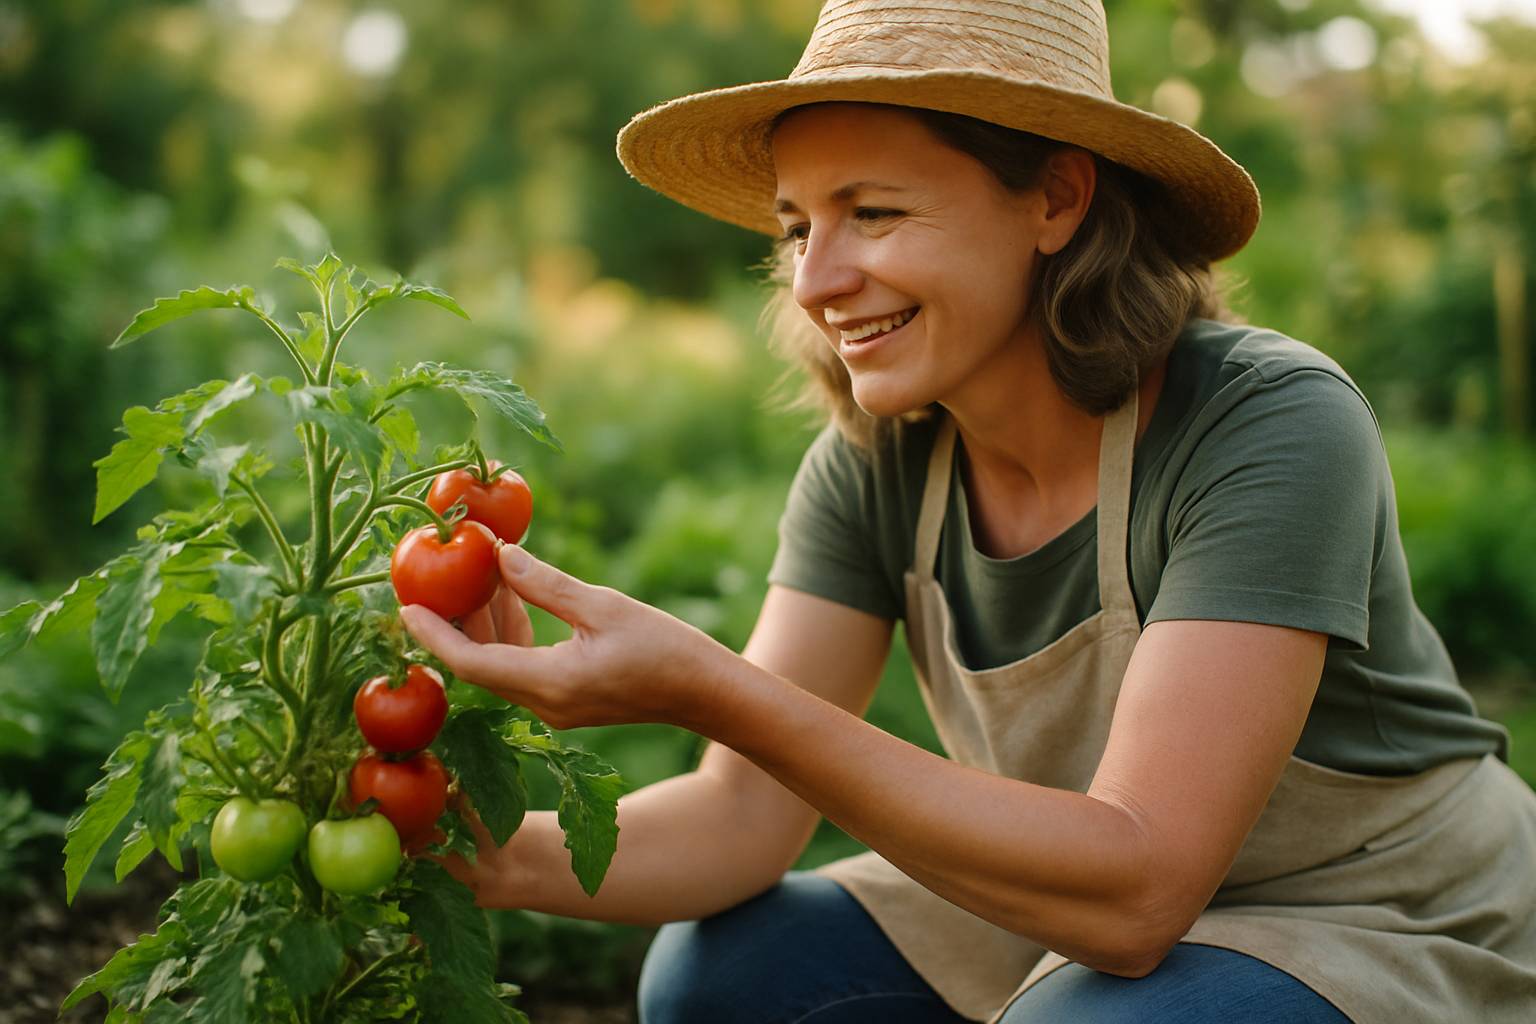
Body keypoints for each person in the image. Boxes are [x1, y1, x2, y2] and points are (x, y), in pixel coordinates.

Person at [400, 2, 1536, 1021]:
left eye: (874, 212)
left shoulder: (1265, 422)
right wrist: (472, 847)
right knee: (719, 975)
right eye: (798, 227)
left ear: (1055, 199)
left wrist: (711, 687)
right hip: (1080, 891)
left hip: (1377, 908)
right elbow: (740, 818)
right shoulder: (879, 466)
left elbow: (1140, 888)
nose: (815, 280)